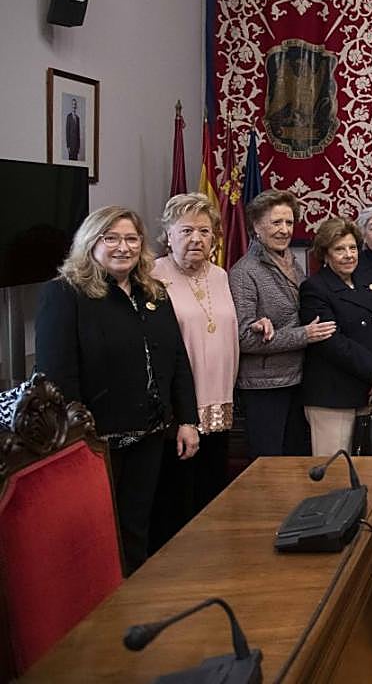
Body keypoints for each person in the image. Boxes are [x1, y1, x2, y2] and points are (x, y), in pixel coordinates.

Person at [35, 206, 199, 574]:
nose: (122, 247)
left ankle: (131, 599)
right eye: (111, 238)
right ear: (90, 242)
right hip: (94, 441)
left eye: (131, 238)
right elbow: (56, 377)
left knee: (135, 528)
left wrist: (188, 419)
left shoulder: (153, 291)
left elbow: (176, 358)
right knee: (93, 534)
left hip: (151, 433)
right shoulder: (65, 294)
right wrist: (77, 438)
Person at [149, 194, 240, 549]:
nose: (196, 239)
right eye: (186, 230)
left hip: (220, 401)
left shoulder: (220, 275)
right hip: (178, 407)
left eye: (204, 231)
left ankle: (210, 556)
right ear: (168, 235)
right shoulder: (154, 277)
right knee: (176, 493)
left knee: (211, 488)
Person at [229, 190, 336, 458]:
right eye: (276, 222)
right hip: (264, 387)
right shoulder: (244, 272)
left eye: (289, 222)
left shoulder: (293, 263)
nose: (284, 230)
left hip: (296, 380)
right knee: (268, 466)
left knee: (295, 462)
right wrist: (305, 335)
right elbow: (244, 338)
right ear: (256, 226)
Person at [299, 217, 372, 456]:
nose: (348, 255)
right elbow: (332, 342)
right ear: (325, 254)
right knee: (335, 473)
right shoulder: (315, 288)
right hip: (333, 396)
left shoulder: (369, 283)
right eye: (339, 249)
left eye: (352, 248)